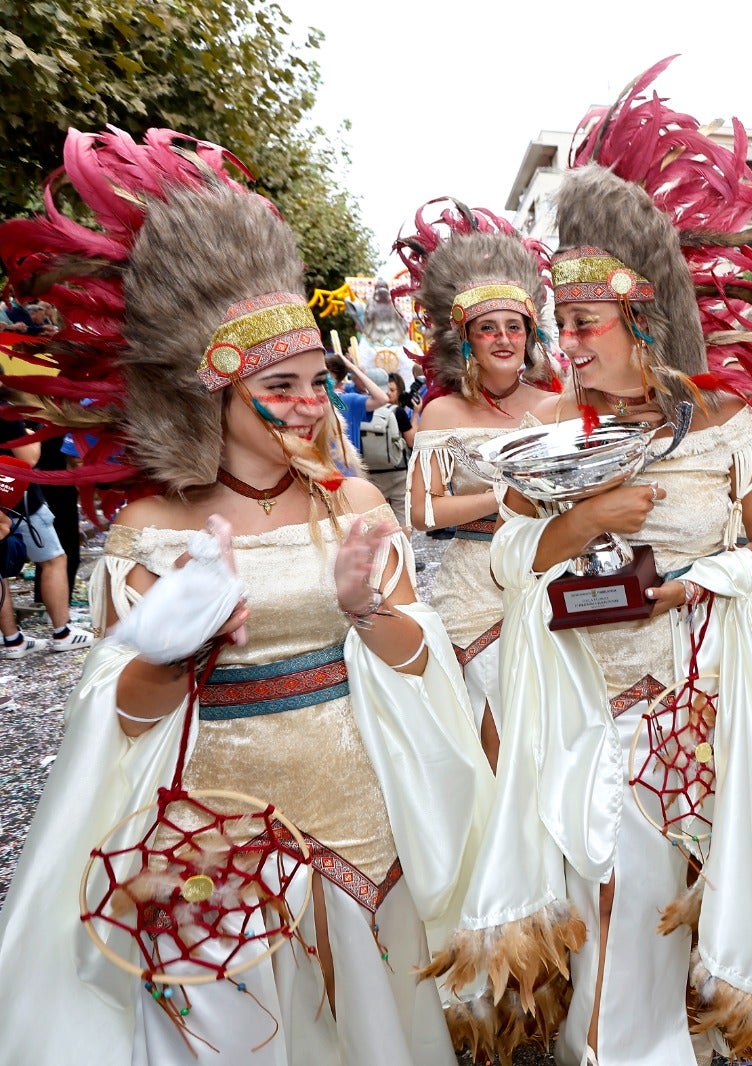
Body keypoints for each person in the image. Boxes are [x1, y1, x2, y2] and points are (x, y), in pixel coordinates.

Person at [0, 126, 499, 1062]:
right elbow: (121, 716)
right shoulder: (155, 523)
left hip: (360, 813)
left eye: (318, 381)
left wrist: (366, 611)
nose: (312, 404)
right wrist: (175, 648)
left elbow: (423, 661)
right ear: (216, 396)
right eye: (283, 385)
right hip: (213, 840)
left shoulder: (351, 502)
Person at [494, 60, 752, 1064]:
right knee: (609, 889)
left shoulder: (729, 425)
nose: (563, 342)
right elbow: (512, 557)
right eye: (558, 323)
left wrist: (709, 578)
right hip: (586, 695)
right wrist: (590, 521)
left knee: (681, 899)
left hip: (703, 691)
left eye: (581, 323)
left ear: (642, 317)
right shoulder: (550, 430)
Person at [396, 198, 562, 767]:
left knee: (550, 729)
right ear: (465, 338)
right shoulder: (441, 414)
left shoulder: (559, 406)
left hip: (546, 572)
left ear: (530, 335)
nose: (502, 338)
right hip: (473, 586)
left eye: (514, 327)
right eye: (487, 328)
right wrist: (501, 497)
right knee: (491, 731)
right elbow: (421, 512)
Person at [0, 414, 95, 655]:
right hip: (19, 500)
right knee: (54, 559)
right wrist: (32, 437)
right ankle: (62, 632)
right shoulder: (5, 413)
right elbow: (29, 458)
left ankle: (12, 640)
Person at [357, 371, 415, 518]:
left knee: (377, 516)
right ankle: (404, 542)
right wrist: (416, 414)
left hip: (369, 472)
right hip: (397, 471)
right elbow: (411, 441)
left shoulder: (359, 411)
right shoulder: (397, 412)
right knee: (402, 516)